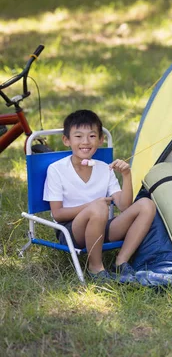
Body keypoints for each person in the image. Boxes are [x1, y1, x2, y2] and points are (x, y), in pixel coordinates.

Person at [43, 110, 156, 281]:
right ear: (67, 140)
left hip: (102, 224)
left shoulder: (105, 168)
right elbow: (58, 214)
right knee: (98, 207)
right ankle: (95, 267)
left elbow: (124, 206)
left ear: (101, 139)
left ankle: (120, 262)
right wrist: (93, 205)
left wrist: (126, 175)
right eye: (78, 136)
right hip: (71, 231)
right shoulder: (56, 169)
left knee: (147, 205)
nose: (86, 142)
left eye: (92, 136)